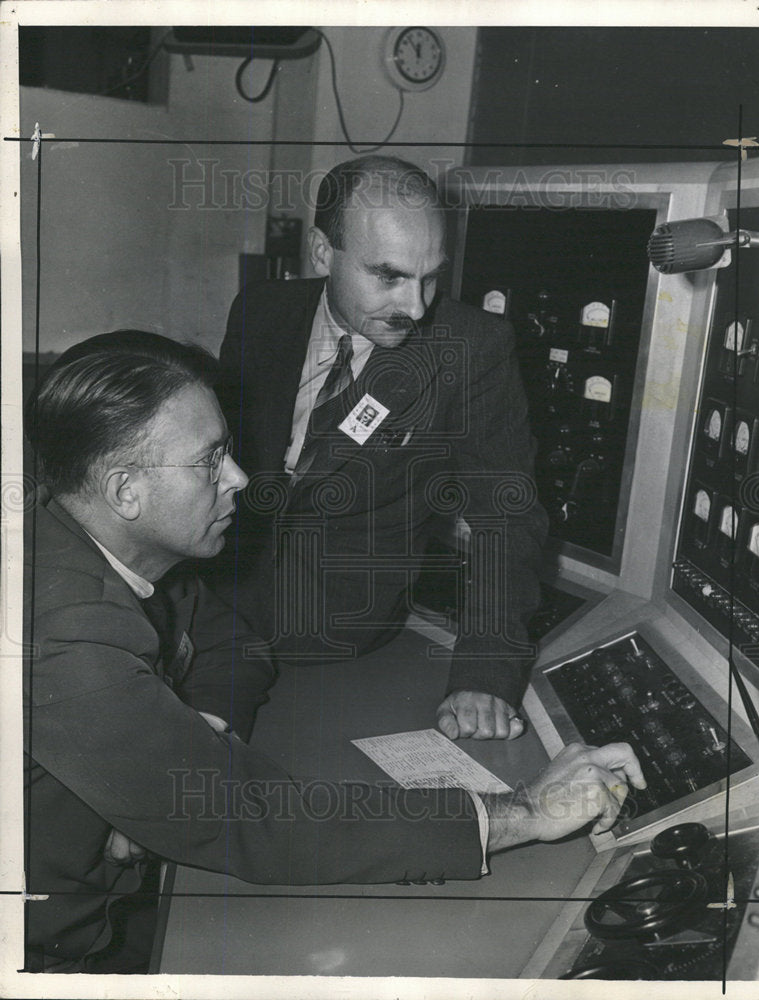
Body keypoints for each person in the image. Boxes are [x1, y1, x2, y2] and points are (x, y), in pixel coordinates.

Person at [23, 329, 645, 973]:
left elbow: (230, 641)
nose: (239, 477)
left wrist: (176, 751)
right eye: (210, 461)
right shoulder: (64, 627)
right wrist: (526, 811)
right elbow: (252, 820)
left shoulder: (106, 548)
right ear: (126, 491)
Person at [218, 155, 549, 742]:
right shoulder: (261, 310)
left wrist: (485, 675)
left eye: (429, 277)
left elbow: (506, 516)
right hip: (212, 605)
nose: (415, 307)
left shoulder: (472, 347)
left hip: (337, 632)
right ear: (322, 253)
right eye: (389, 276)